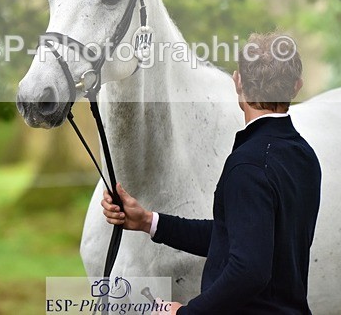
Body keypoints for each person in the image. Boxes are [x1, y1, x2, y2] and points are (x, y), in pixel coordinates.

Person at [102, 32, 322, 314]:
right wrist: (148, 221)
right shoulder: (305, 156)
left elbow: (250, 271)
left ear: (238, 82)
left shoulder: (249, 166)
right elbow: (235, 237)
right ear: (296, 86)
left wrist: (185, 313)